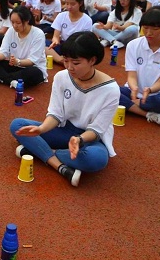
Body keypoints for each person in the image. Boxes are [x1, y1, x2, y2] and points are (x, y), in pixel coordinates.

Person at [10, 32, 120, 187]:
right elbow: (55, 114)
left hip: (89, 138)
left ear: (92, 60)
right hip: (65, 131)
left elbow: (97, 130)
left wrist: (79, 140)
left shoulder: (111, 89)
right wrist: (41, 129)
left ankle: (39, 151)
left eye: (76, 63)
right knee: (17, 125)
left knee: (96, 159)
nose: (69, 67)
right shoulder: (61, 77)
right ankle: (60, 166)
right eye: (66, 61)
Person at [118, 7, 160, 126]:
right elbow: (131, 76)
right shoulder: (133, 45)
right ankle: (149, 114)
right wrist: (134, 88)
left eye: (155, 29)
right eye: (145, 28)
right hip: (133, 92)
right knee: (108, 89)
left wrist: (150, 90)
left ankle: (131, 105)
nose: (148, 33)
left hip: (158, 95)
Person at [0, 6, 47, 88]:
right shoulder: (11, 31)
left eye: (18, 23)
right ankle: (11, 80)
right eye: (12, 22)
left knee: (33, 72)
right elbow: (3, 53)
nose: (15, 26)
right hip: (14, 66)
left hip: (31, 67)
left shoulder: (38, 34)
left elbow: (32, 60)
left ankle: (2, 77)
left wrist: (18, 62)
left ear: (27, 21)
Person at [46, 0, 93, 65]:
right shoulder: (61, 16)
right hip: (63, 45)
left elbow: (84, 42)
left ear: (80, 3)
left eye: (72, 4)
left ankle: (65, 59)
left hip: (77, 48)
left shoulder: (87, 20)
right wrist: (55, 41)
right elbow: (55, 36)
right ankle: (61, 60)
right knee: (44, 43)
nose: (69, 7)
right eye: (67, 4)